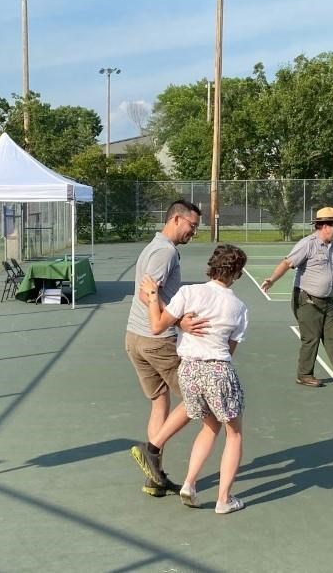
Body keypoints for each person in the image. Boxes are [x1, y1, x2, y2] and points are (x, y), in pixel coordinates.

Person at [133, 244, 250, 515]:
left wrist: (152, 298)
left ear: (212, 267)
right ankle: (224, 499)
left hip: (188, 370)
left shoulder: (188, 292)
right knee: (234, 434)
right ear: (236, 273)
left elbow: (157, 325)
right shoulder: (239, 307)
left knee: (209, 426)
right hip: (218, 370)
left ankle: (189, 484)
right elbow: (229, 351)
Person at [125, 199, 207, 497]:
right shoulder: (165, 251)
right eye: (192, 226)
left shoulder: (154, 247)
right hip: (156, 341)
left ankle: (154, 478)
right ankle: (152, 449)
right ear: (176, 219)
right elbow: (148, 293)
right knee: (195, 397)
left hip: (135, 338)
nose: (193, 232)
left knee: (160, 402)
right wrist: (179, 322)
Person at [259, 206, 333, 388]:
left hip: (327, 301)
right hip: (307, 299)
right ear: (325, 226)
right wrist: (272, 279)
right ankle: (304, 374)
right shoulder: (307, 243)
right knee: (311, 338)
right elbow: (287, 262)